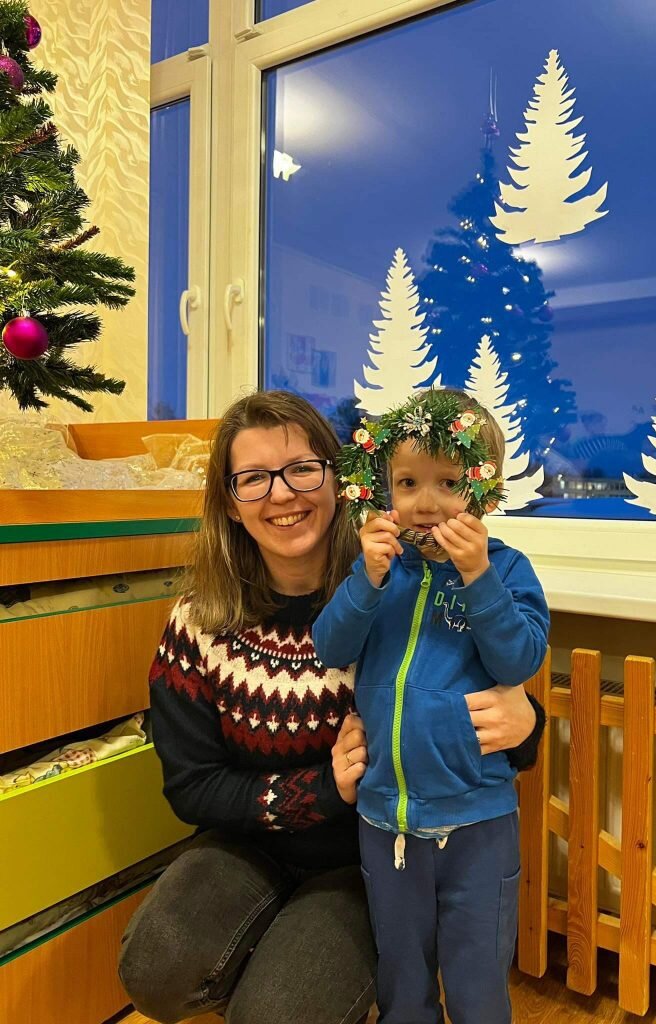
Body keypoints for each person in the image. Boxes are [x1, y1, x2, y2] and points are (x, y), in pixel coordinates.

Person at [118, 390, 542, 1024]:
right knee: (158, 964)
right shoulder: (208, 618)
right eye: (253, 478)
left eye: (301, 469)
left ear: (339, 482)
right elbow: (191, 785)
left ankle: (297, 971)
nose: (281, 494)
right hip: (253, 845)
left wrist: (528, 723)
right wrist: (319, 791)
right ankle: (270, 955)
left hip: (365, 853)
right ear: (230, 502)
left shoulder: (401, 577)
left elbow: (475, 673)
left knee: (280, 1014)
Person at [313, 388, 550, 1024]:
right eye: (408, 482)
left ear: (484, 488)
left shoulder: (507, 570)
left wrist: (478, 578)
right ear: (385, 488)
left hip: (477, 822)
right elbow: (330, 647)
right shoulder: (378, 571)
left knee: (477, 985)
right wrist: (366, 579)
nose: (426, 502)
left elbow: (519, 661)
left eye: (448, 482)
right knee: (402, 981)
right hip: (384, 819)